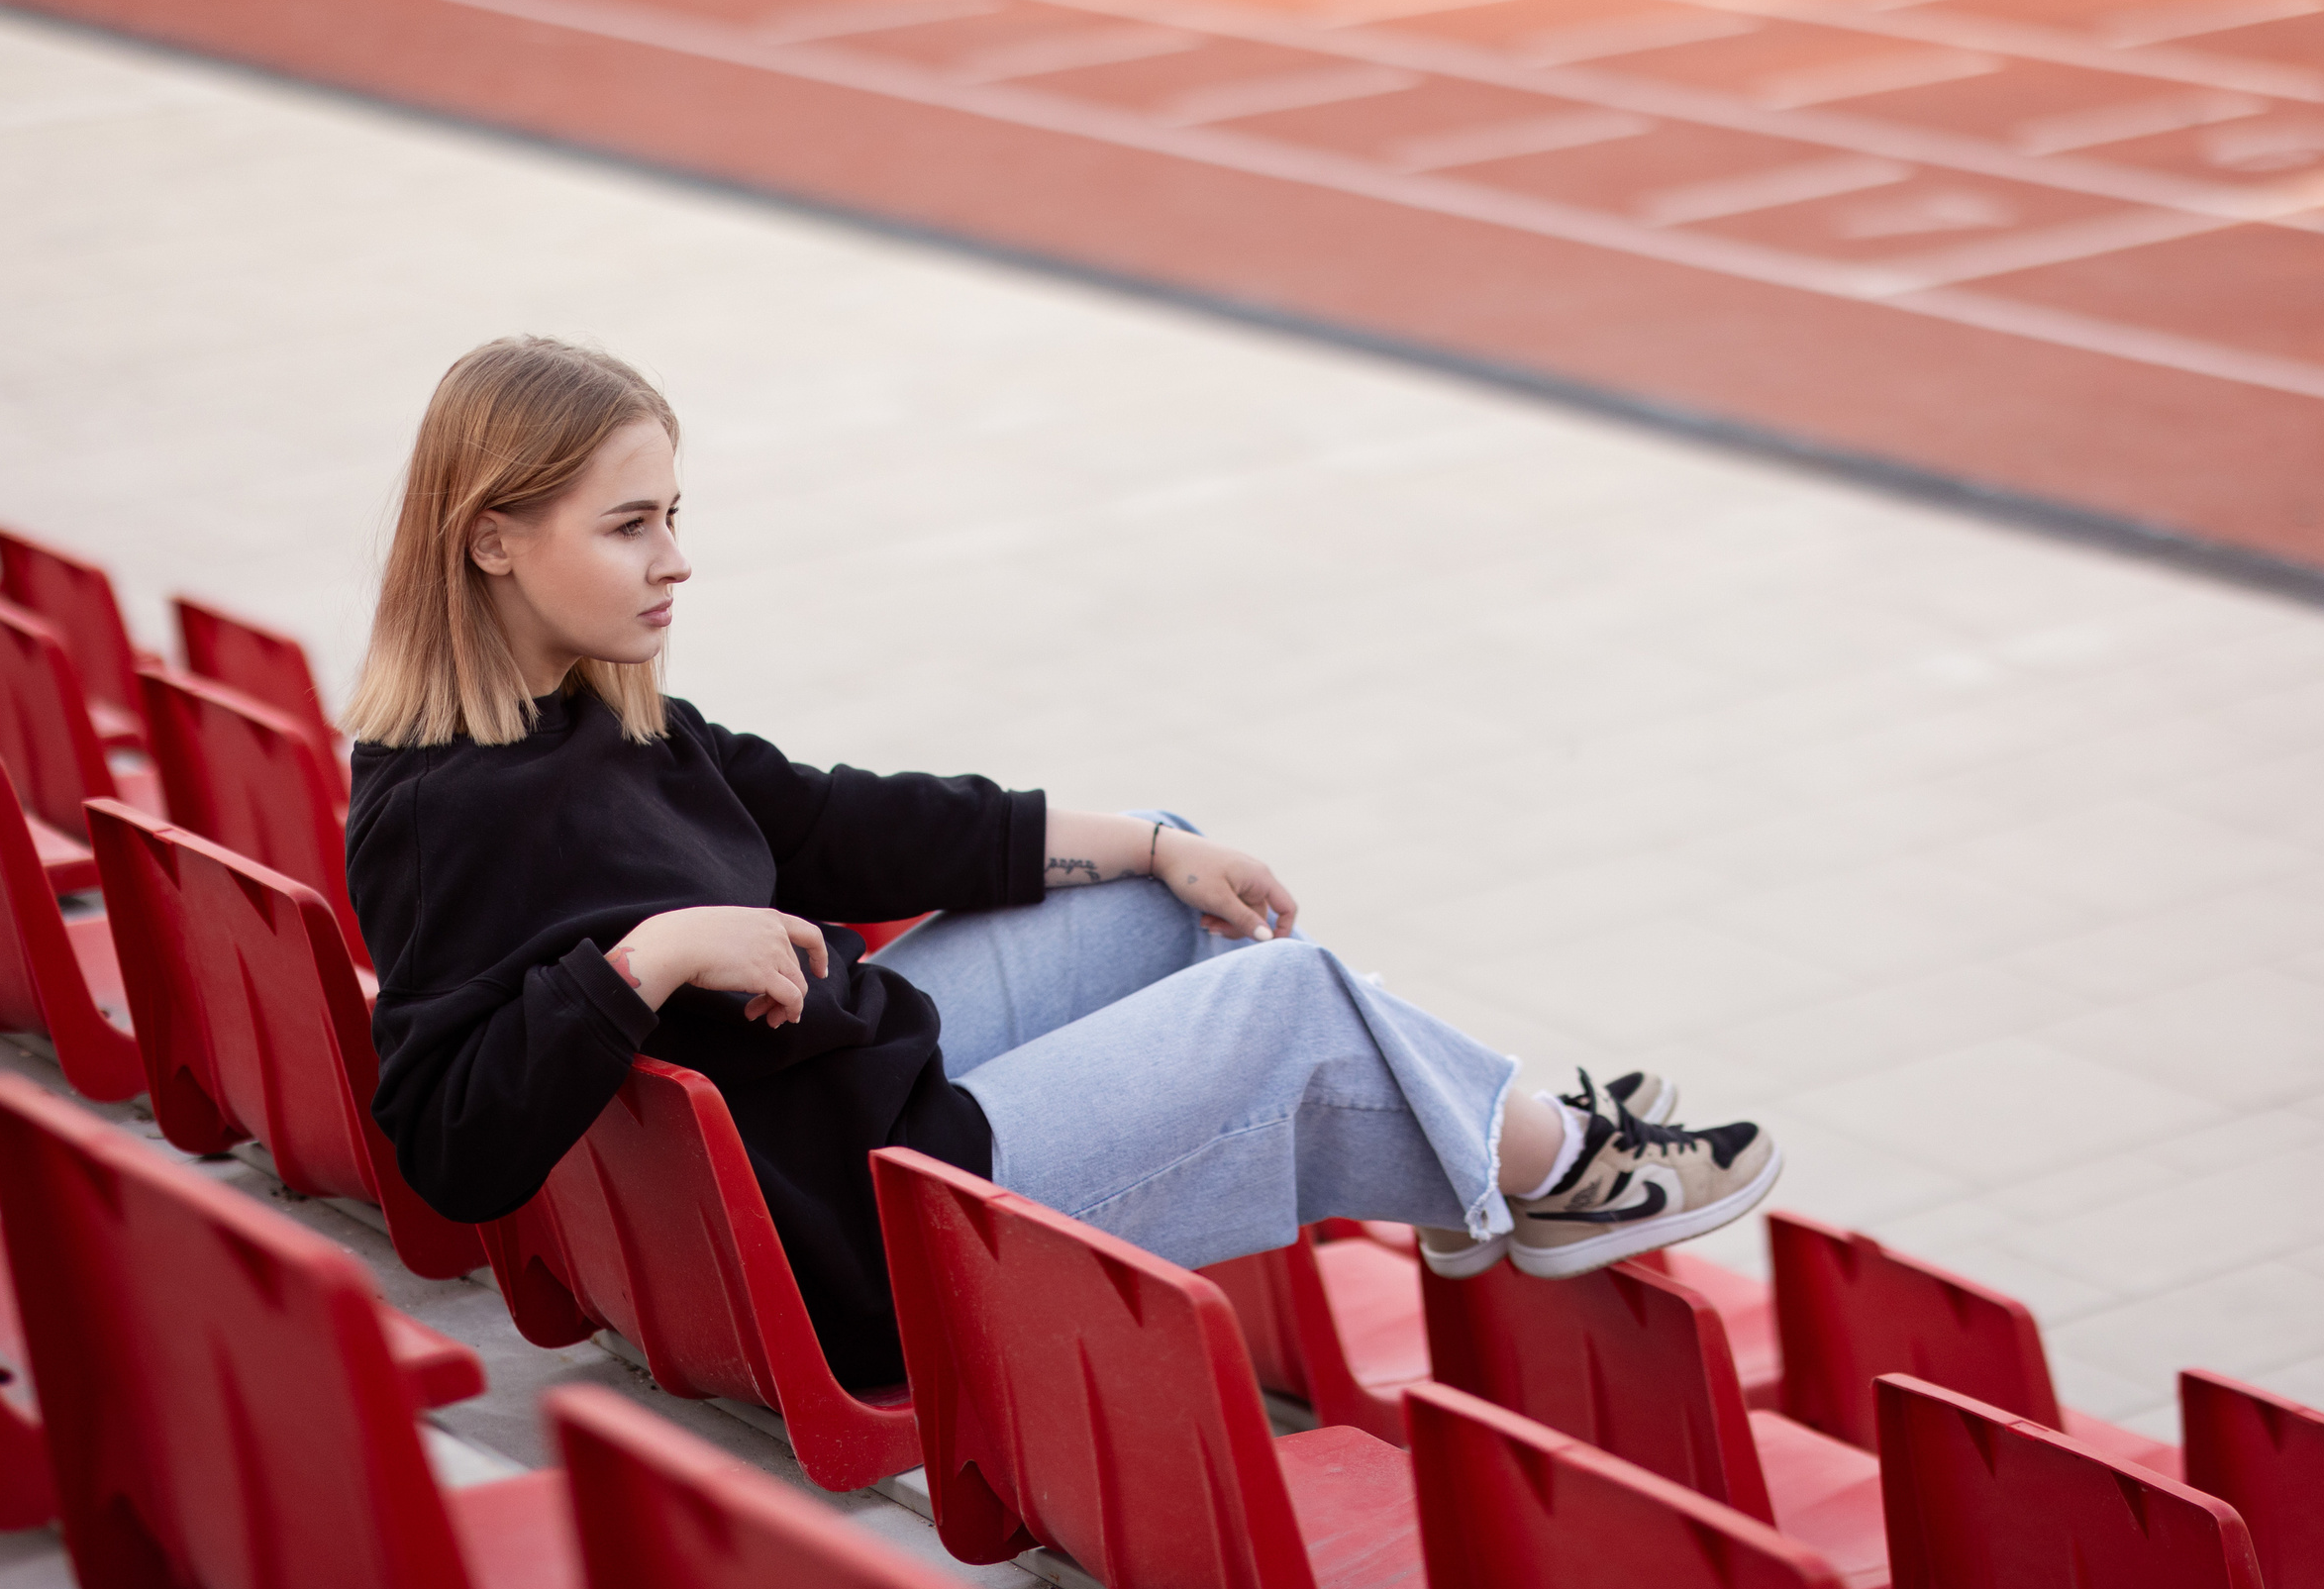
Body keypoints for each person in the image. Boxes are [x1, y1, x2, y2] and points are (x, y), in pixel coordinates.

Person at [345, 336, 1781, 1388]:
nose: (675, 559)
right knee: (1290, 999)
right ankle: (1566, 1169)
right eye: (631, 524)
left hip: (858, 1106)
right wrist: (655, 959)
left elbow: (848, 822)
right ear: (493, 544)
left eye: (676, 515)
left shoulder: (595, 718)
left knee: (1167, 896)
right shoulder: (450, 805)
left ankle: (1480, 1159)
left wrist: (1157, 841)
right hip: (881, 1219)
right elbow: (449, 1144)